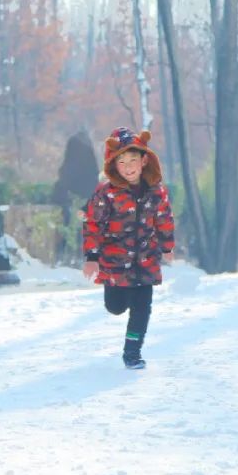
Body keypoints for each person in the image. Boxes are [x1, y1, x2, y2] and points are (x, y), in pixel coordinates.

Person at [82, 127, 175, 369]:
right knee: (115, 307)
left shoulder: (157, 191)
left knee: (142, 308)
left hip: (146, 260)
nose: (128, 167)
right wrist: (92, 256)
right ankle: (118, 300)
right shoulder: (106, 193)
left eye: (133, 160)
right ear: (114, 165)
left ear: (144, 160)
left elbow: (164, 218)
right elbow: (93, 224)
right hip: (114, 263)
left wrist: (166, 246)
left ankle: (132, 352)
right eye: (121, 162)